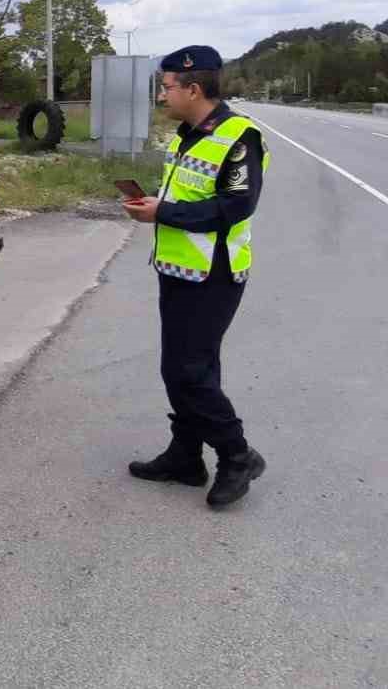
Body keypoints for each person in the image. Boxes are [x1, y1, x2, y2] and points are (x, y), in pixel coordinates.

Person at [122, 45, 269, 508]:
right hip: (178, 269)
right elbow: (188, 193)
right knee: (182, 370)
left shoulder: (240, 136)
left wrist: (163, 212)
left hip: (214, 275)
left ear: (194, 88)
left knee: (191, 372)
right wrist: (157, 207)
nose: (162, 94)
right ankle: (186, 455)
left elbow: (235, 206)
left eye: (166, 87)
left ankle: (237, 455)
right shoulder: (187, 134)